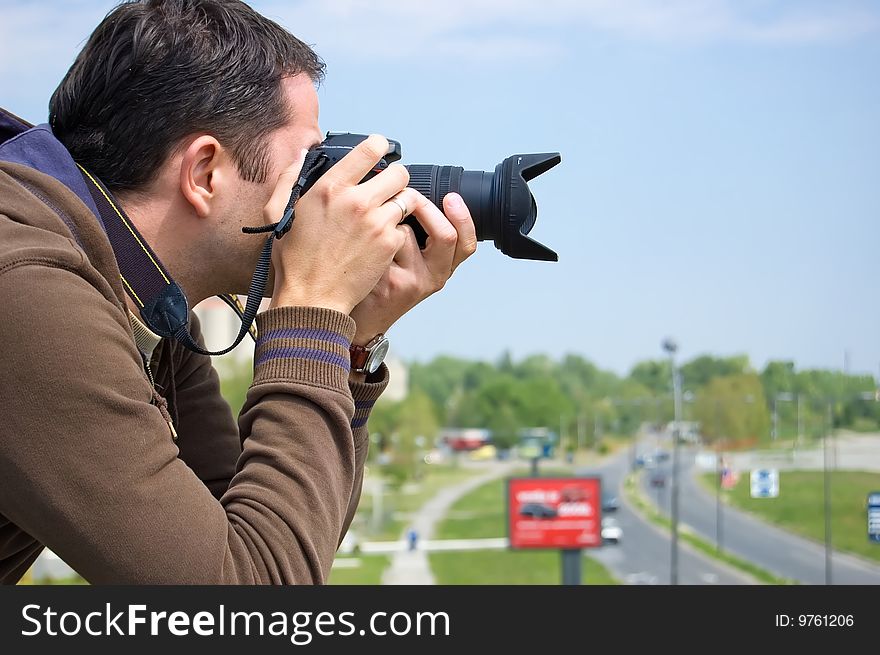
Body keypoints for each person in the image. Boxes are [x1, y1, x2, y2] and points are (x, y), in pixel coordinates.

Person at [0, 0, 476, 584]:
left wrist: (351, 344)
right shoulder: (26, 290)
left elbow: (267, 533)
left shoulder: (145, 293)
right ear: (204, 173)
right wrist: (311, 316)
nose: (324, 192)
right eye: (307, 164)